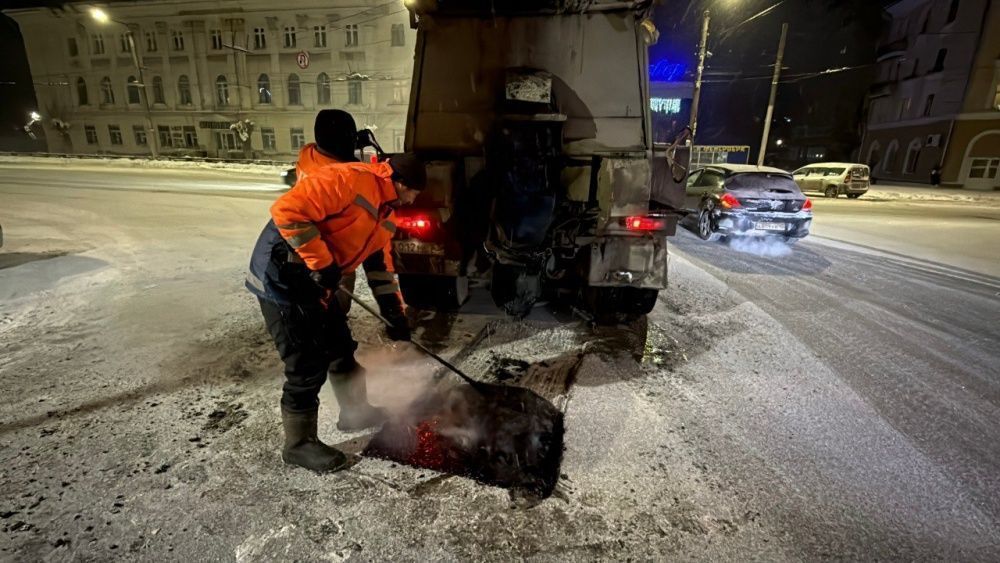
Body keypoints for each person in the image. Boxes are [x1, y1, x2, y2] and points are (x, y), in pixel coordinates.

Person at [246, 151, 426, 472]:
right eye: (413, 191)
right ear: (399, 183)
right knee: (306, 362)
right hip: (282, 276)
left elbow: (379, 267)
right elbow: (287, 211)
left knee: (339, 345)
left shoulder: (386, 213)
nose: (413, 199)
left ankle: (355, 411)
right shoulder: (350, 180)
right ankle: (298, 445)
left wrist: (394, 315)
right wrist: (323, 264)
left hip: (317, 280)